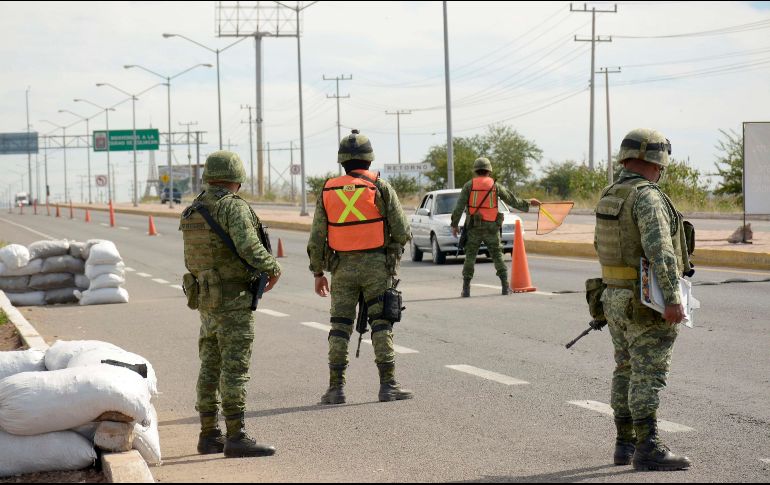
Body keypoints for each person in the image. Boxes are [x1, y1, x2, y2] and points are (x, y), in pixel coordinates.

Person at [594, 128, 692, 471]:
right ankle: (647, 447)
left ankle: (624, 444)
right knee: (647, 373)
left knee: (624, 368)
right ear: (655, 161)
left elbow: (601, 247)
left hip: (614, 296)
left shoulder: (611, 193)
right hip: (644, 300)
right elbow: (661, 251)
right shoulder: (646, 196)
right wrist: (673, 298)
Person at [179, 150, 281, 458]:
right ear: (237, 177)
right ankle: (236, 436)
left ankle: (209, 434)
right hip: (233, 298)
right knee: (235, 366)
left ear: (209, 176)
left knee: (210, 364)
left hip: (207, 298)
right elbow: (249, 246)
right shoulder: (232, 207)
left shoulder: (193, 209)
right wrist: (272, 267)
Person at [307, 129, 413, 405]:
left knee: (340, 326)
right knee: (382, 323)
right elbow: (402, 230)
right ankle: (388, 385)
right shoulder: (380, 186)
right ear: (369, 160)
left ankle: (335, 389)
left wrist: (318, 273)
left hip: (341, 269)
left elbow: (317, 237)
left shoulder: (328, 189)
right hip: (378, 267)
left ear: (342, 161)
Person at [450, 157, 540, 297]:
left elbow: (459, 207)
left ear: (476, 170)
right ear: (489, 170)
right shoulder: (495, 185)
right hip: (492, 227)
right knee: (497, 255)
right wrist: (529, 202)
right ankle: (505, 287)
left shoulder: (469, 185)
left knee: (470, 257)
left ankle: (466, 289)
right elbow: (512, 200)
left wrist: (454, 225)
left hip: (474, 228)